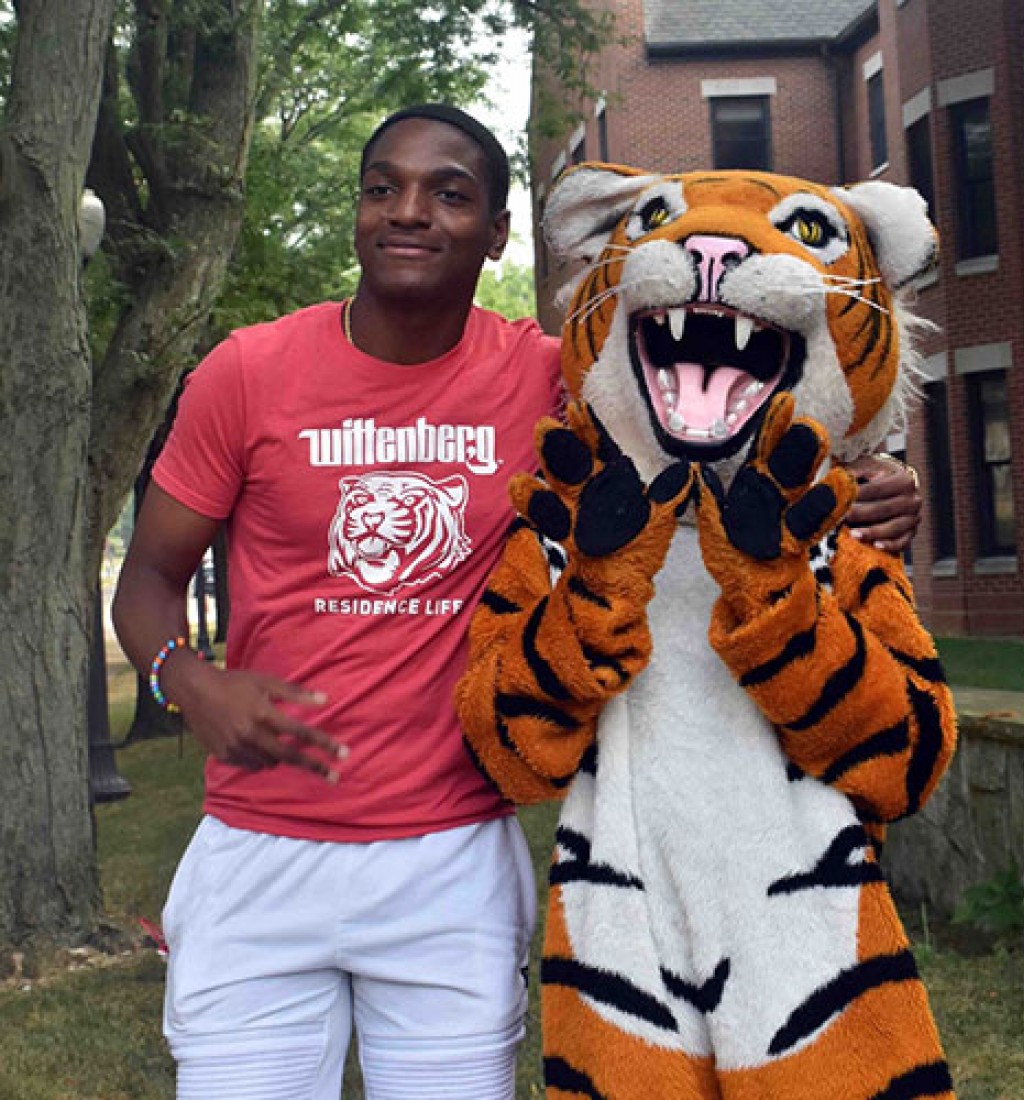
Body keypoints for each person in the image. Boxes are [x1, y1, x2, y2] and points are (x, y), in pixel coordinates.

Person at [111, 103, 923, 1100]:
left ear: (495, 231)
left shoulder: (547, 378)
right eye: (382, 188)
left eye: (447, 193)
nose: (407, 212)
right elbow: (146, 576)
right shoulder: (247, 371)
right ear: (358, 210)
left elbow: (717, 413)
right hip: (258, 848)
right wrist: (189, 681)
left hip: (449, 853)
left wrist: (877, 474)